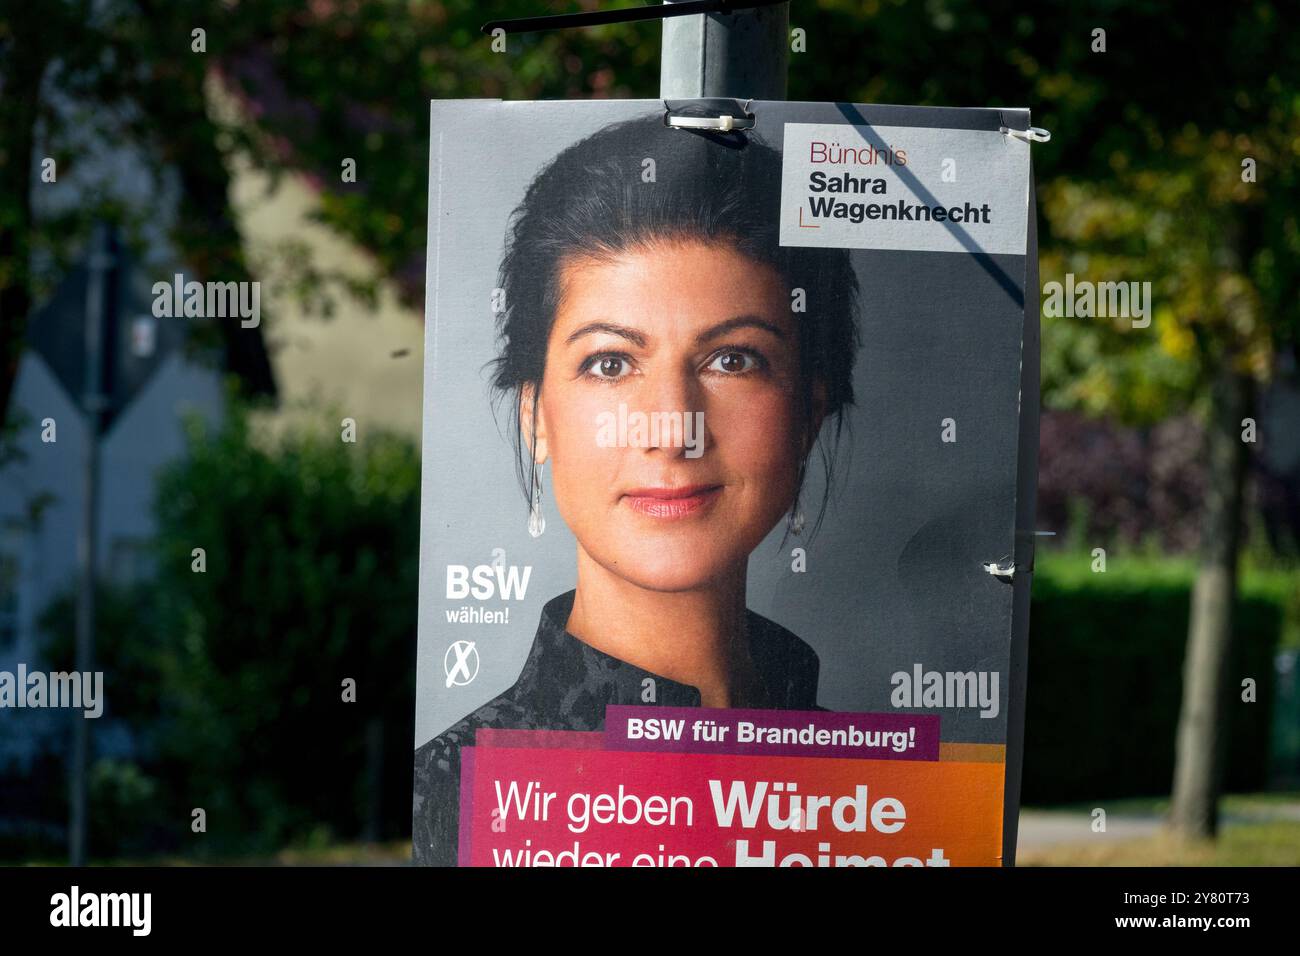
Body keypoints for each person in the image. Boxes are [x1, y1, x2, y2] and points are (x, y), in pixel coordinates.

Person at [413, 111, 861, 865]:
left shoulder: (879, 793)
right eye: (611, 364)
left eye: (733, 360)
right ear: (537, 416)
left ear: (810, 412)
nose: (672, 428)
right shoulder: (450, 799)